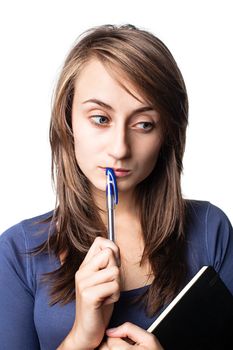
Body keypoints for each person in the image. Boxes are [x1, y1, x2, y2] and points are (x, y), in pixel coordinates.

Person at [0, 24, 232, 350]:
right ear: (68, 120)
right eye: (100, 119)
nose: (120, 148)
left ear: (168, 133)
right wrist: (82, 336)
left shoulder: (210, 230)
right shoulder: (17, 252)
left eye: (143, 124)